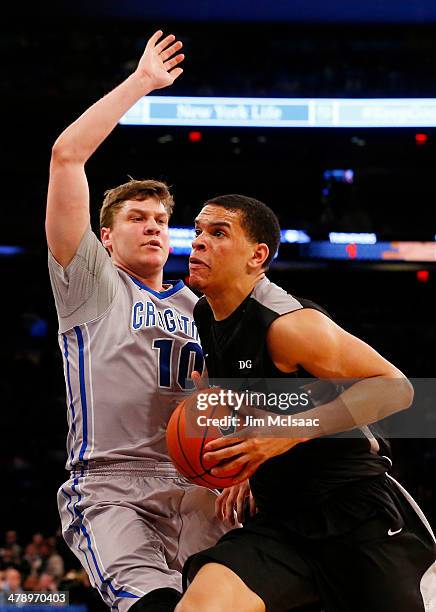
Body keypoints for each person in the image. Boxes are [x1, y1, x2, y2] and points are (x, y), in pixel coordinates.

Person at [176, 194, 436, 612]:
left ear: (257, 256)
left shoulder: (289, 326)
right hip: (281, 520)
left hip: (355, 513)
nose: (199, 242)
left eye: (218, 232)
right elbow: (266, 402)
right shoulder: (207, 315)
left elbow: (397, 387)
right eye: (198, 232)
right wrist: (249, 462)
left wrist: (287, 433)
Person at [46, 31, 227, 612]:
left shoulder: (204, 308)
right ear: (104, 236)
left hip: (201, 487)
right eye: (137, 218)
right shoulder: (92, 284)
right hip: (114, 485)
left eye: (161, 219)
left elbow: (237, 395)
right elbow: (67, 155)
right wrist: (143, 83)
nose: (154, 226)